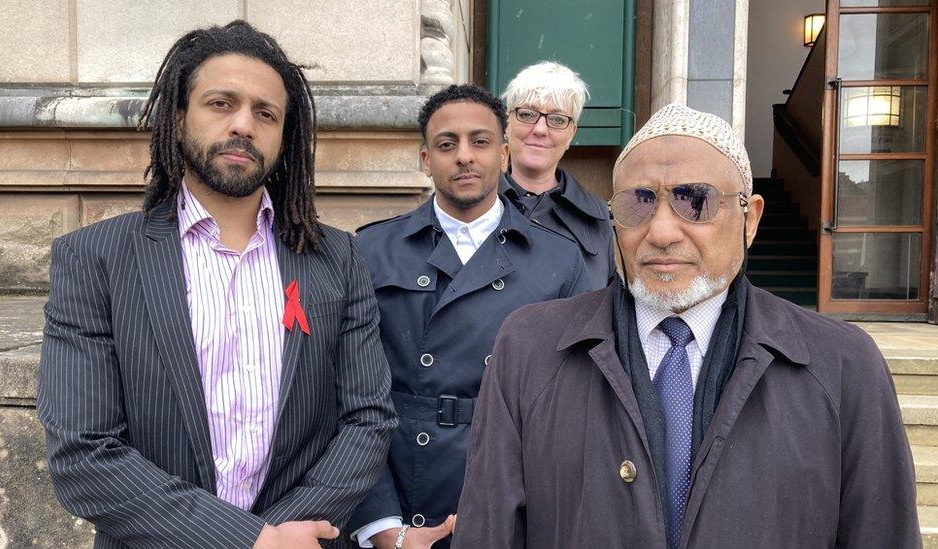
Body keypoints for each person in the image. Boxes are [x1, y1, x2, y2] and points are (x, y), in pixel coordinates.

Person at [452, 103, 920, 548]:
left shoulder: (841, 364)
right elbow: (489, 530)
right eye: (639, 202)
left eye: (694, 201)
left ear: (750, 218)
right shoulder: (531, 348)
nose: (660, 231)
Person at [37, 21, 396, 549]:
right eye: (221, 104)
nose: (244, 125)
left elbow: (367, 419)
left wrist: (281, 536)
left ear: (283, 135)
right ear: (179, 118)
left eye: (265, 113)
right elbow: (83, 452)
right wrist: (247, 540)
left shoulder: (335, 258)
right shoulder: (95, 259)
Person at [348, 84, 589, 549]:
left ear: (502, 155)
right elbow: (347, 395)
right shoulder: (369, 251)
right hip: (400, 495)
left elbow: (574, 406)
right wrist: (380, 525)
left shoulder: (560, 259)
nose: (463, 157)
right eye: (446, 144)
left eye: (479, 142)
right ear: (424, 160)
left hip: (511, 491)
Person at [499, 61, 615, 290]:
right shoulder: (474, 206)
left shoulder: (599, 219)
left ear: (572, 133)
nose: (540, 129)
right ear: (506, 124)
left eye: (558, 119)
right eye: (527, 114)